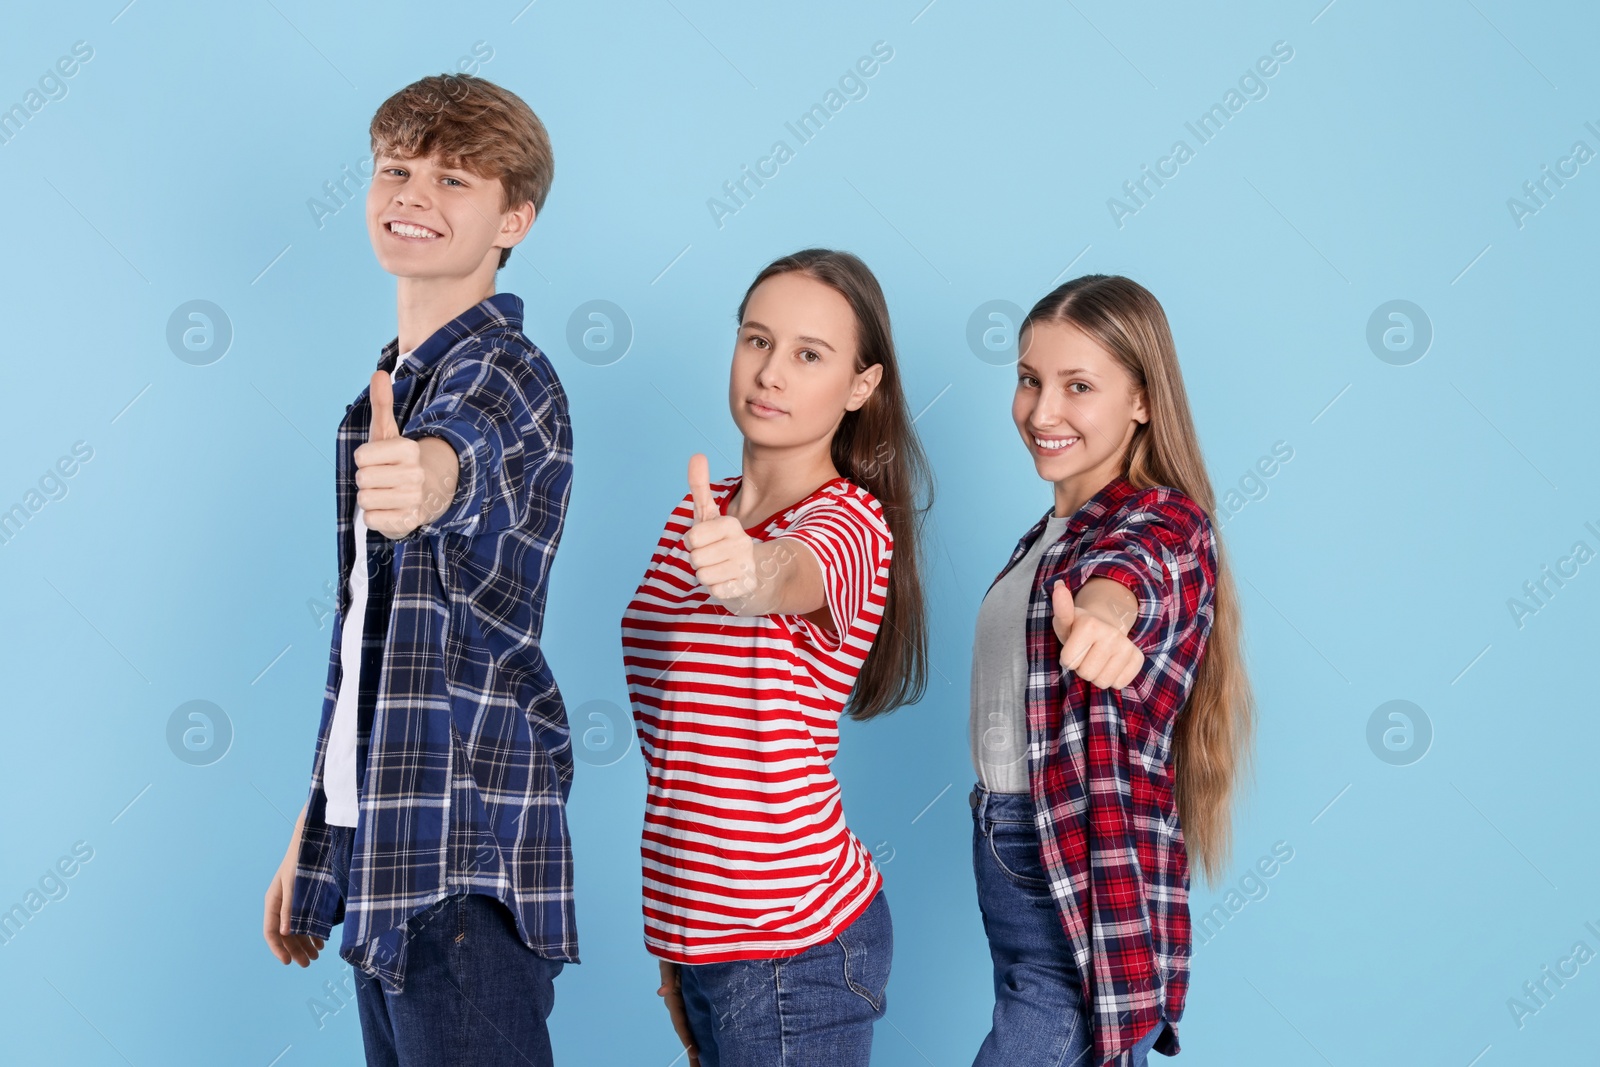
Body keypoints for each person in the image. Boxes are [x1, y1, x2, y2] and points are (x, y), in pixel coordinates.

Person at [260, 72, 577, 1067]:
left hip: (462, 855)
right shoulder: (391, 382)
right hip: (385, 849)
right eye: (397, 170)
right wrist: (317, 829)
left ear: (511, 219)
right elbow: (370, 646)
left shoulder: (506, 372)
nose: (412, 195)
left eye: (453, 181)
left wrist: (425, 478)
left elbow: (460, 458)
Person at [620, 249, 932, 1067]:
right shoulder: (695, 512)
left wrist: (749, 571)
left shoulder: (853, 524)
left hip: (798, 944)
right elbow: (683, 754)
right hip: (704, 941)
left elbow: (789, 570)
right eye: (757, 340)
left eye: (808, 354)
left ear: (860, 387)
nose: (771, 373)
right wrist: (679, 945)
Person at [968, 274, 1254, 1066]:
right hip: (1006, 836)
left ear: (1141, 401)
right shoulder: (1044, 537)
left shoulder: (1164, 521)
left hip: (1069, 854)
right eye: (1030, 380)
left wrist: (1103, 624)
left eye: (1078, 385)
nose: (1042, 410)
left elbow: (1133, 574)